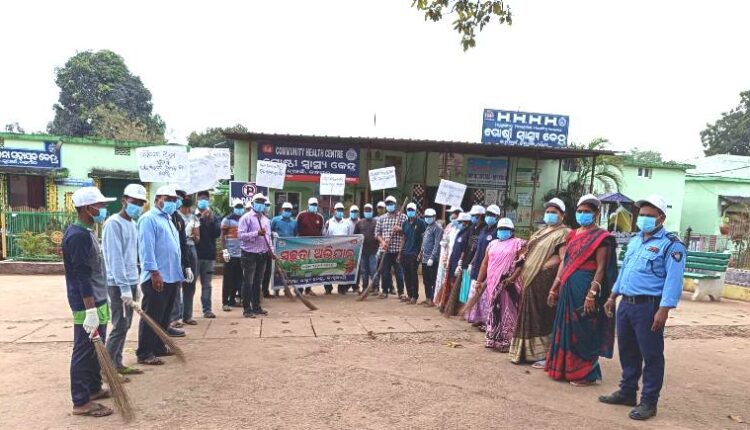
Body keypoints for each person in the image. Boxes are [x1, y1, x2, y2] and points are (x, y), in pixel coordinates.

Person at [599, 194, 686, 421]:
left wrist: (664, 310)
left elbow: (674, 280)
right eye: (642, 214)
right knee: (627, 350)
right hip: (626, 304)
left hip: (649, 307)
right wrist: (612, 296)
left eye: (649, 215)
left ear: (661, 218)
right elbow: (625, 271)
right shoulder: (636, 240)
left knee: (651, 355)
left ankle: (648, 402)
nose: (644, 219)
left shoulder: (671, 245)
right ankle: (627, 392)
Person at [545, 194, 617, 386]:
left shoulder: (601, 238)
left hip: (585, 287)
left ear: (596, 214)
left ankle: (587, 373)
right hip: (568, 286)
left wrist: (592, 294)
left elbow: (601, 269)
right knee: (565, 327)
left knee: (584, 328)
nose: (582, 214)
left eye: (587, 211)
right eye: (579, 211)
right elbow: (565, 262)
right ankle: (563, 368)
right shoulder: (572, 235)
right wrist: (555, 287)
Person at [63, 186, 116, 418]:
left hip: (97, 298)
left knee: (96, 347)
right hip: (86, 303)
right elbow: (82, 276)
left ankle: (94, 388)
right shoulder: (77, 236)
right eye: (100, 205)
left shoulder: (87, 231)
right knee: (84, 350)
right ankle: (80, 401)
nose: (103, 209)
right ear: (87, 208)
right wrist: (90, 310)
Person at [508, 197, 570, 366]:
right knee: (529, 313)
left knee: (542, 315)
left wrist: (555, 281)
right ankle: (526, 352)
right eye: (548, 212)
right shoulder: (540, 231)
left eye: (554, 212)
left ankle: (543, 354)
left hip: (545, 279)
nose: (550, 214)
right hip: (530, 279)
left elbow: (563, 259)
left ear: (562, 215)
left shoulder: (564, 233)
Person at [136, 185, 186, 365]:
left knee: (164, 316)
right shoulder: (148, 219)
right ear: (158, 199)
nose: (171, 203)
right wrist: (154, 272)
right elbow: (146, 248)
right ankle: (144, 352)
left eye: (174, 200)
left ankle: (158, 347)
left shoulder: (168, 219)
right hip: (157, 277)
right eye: (168, 199)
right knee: (152, 316)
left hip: (171, 276)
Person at [102, 184, 146, 377]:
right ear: (124, 201)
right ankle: (107, 370)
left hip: (131, 281)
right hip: (118, 284)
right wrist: (124, 288)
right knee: (119, 325)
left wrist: (135, 284)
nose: (137, 206)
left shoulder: (132, 224)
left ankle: (117, 363)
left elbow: (132, 256)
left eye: (141, 203)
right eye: (134, 202)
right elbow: (115, 258)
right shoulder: (113, 224)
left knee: (126, 325)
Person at [477, 218, 525, 352]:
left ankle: (508, 340)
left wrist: (512, 278)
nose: (503, 231)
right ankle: (493, 338)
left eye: (506, 229)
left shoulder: (518, 243)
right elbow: (485, 263)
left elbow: (521, 263)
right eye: (501, 229)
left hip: (509, 283)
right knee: (494, 309)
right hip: (493, 282)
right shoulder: (492, 244)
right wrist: (479, 281)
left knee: (508, 309)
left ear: (512, 231)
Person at [466, 204, 501, 326]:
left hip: (490, 267)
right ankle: (478, 318)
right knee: (477, 293)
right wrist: (471, 263)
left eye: (492, 215)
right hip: (478, 265)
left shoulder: (497, 231)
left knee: (486, 295)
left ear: (497, 217)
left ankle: (486, 321)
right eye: (488, 214)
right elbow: (478, 249)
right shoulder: (484, 230)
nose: (489, 217)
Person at [238, 193, 272, 317]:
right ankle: (247, 309)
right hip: (249, 254)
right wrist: (256, 233)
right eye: (258, 202)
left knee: (258, 282)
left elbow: (268, 237)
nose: (260, 204)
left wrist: (271, 251)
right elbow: (241, 236)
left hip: (262, 254)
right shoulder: (246, 218)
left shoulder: (266, 220)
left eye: (262, 202)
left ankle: (256, 307)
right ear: (253, 203)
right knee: (248, 282)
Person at [167, 185, 192, 337]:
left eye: (179, 199)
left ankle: (173, 320)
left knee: (175, 292)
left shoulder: (178, 219)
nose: (177, 202)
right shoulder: (161, 218)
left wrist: (186, 264)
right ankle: (168, 321)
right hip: (163, 264)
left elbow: (183, 244)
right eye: (175, 198)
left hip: (177, 261)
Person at [171, 197, 199, 326]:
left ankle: (188, 315)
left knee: (190, 282)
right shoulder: (173, 216)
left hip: (190, 248)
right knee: (176, 283)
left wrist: (193, 236)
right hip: (178, 249)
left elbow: (197, 237)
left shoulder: (194, 218)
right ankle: (175, 317)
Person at [194, 190, 221, 318]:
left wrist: (210, 220)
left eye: (205, 198)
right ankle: (186, 313)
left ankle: (207, 310)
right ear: (197, 200)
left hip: (209, 255)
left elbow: (217, 233)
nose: (203, 201)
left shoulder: (214, 216)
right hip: (194, 255)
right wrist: (200, 218)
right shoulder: (191, 215)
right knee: (189, 285)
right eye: (201, 198)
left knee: (207, 285)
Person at [440, 212, 473, 312]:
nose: (459, 224)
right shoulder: (460, 232)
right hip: (453, 261)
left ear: (466, 222)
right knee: (450, 283)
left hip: (460, 262)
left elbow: (465, 249)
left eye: (461, 222)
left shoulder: (468, 233)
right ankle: (449, 305)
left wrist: (461, 261)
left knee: (458, 285)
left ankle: (456, 307)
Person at [376, 196, 407, 299]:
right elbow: (377, 233)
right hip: (385, 250)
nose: (390, 206)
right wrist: (383, 242)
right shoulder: (381, 218)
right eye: (388, 204)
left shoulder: (403, 217)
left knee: (399, 273)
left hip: (398, 250)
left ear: (395, 204)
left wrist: (400, 229)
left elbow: (408, 232)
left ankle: (401, 293)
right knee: (384, 272)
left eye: (391, 204)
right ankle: (385, 291)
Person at [434, 206, 463, 307]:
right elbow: (445, 240)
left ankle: (451, 303)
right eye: (451, 214)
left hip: (455, 256)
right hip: (445, 255)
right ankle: (442, 301)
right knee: (444, 279)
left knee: (453, 280)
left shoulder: (461, 228)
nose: (452, 216)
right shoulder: (449, 226)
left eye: (454, 214)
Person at [324, 202, 355, 294]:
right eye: (338, 210)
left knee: (342, 269)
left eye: (341, 210)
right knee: (329, 269)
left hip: (343, 250)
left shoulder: (347, 223)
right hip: (331, 250)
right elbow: (324, 235)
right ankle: (328, 288)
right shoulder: (328, 222)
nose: (340, 211)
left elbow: (349, 236)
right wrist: (326, 228)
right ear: (334, 211)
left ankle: (342, 288)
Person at [296, 197, 325, 296]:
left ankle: (308, 289)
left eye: (315, 205)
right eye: (312, 204)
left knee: (311, 268)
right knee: (301, 267)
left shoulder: (320, 217)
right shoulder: (301, 215)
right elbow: (297, 229)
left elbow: (321, 232)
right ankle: (299, 289)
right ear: (308, 205)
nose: (313, 206)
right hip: (302, 246)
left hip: (314, 246)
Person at [221, 199, 245, 311]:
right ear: (233, 208)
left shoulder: (244, 219)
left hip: (241, 253)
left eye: (241, 207)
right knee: (228, 279)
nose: (239, 209)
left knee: (238, 278)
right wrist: (224, 251)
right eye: (237, 207)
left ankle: (232, 300)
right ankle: (225, 302)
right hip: (230, 253)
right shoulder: (227, 220)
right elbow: (222, 236)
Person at [270, 201, 297, 296]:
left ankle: (287, 289)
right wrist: (273, 234)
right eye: (286, 209)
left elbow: (295, 234)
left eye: (289, 210)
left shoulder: (294, 222)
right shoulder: (275, 220)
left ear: (291, 211)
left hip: (289, 250)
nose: (287, 211)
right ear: (282, 210)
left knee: (288, 270)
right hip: (277, 249)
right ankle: (276, 290)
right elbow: (270, 232)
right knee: (277, 270)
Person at [401, 202, 426, 304]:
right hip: (405, 252)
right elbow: (404, 238)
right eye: (408, 210)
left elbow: (424, 237)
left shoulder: (420, 223)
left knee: (413, 274)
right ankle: (409, 295)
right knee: (406, 275)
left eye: (412, 210)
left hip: (415, 253)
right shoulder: (405, 223)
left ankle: (415, 296)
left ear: (415, 211)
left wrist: (421, 252)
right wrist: (400, 252)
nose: (410, 211)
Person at [420, 208, 443, 307]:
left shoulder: (437, 228)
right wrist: (421, 253)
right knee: (426, 280)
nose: (427, 218)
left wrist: (432, 257)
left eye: (429, 217)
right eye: (426, 216)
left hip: (432, 259)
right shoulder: (428, 227)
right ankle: (428, 298)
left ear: (434, 217)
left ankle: (432, 299)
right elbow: (425, 242)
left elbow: (437, 244)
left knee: (432, 280)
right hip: (425, 258)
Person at [354, 203, 379, 294]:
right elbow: (355, 236)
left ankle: (375, 287)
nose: (368, 212)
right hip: (362, 251)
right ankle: (365, 287)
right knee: (364, 271)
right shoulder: (359, 223)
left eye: (369, 210)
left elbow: (379, 234)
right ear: (364, 211)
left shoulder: (376, 222)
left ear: (372, 211)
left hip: (373, 251)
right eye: (366, 210)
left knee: (373, 270)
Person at [261, 198, 274, 298]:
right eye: (266, 205)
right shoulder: (256, 217)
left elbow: (269, 234)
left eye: (268, 205)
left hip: (268, 248)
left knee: (268, 271)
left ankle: (265, 291)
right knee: (259, 273)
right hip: (259, 250)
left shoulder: (269, 219)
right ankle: (257, 294)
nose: (267, 207)